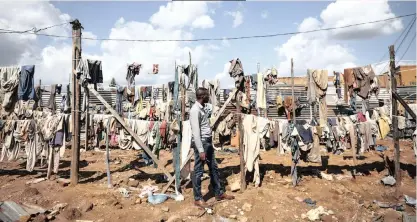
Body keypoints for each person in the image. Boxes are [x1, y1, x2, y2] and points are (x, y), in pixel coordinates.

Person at [190, 87, 234, 208]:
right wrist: (200, 150)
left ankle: (218, 193)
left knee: (213, 168)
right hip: (202, 143)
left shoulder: (203, 108)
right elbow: (196, 132)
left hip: (208, 142)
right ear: (203, 96)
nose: (209, 96)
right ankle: (198, 199)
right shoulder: (195, 110)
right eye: (207, 95)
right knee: (199, 171)